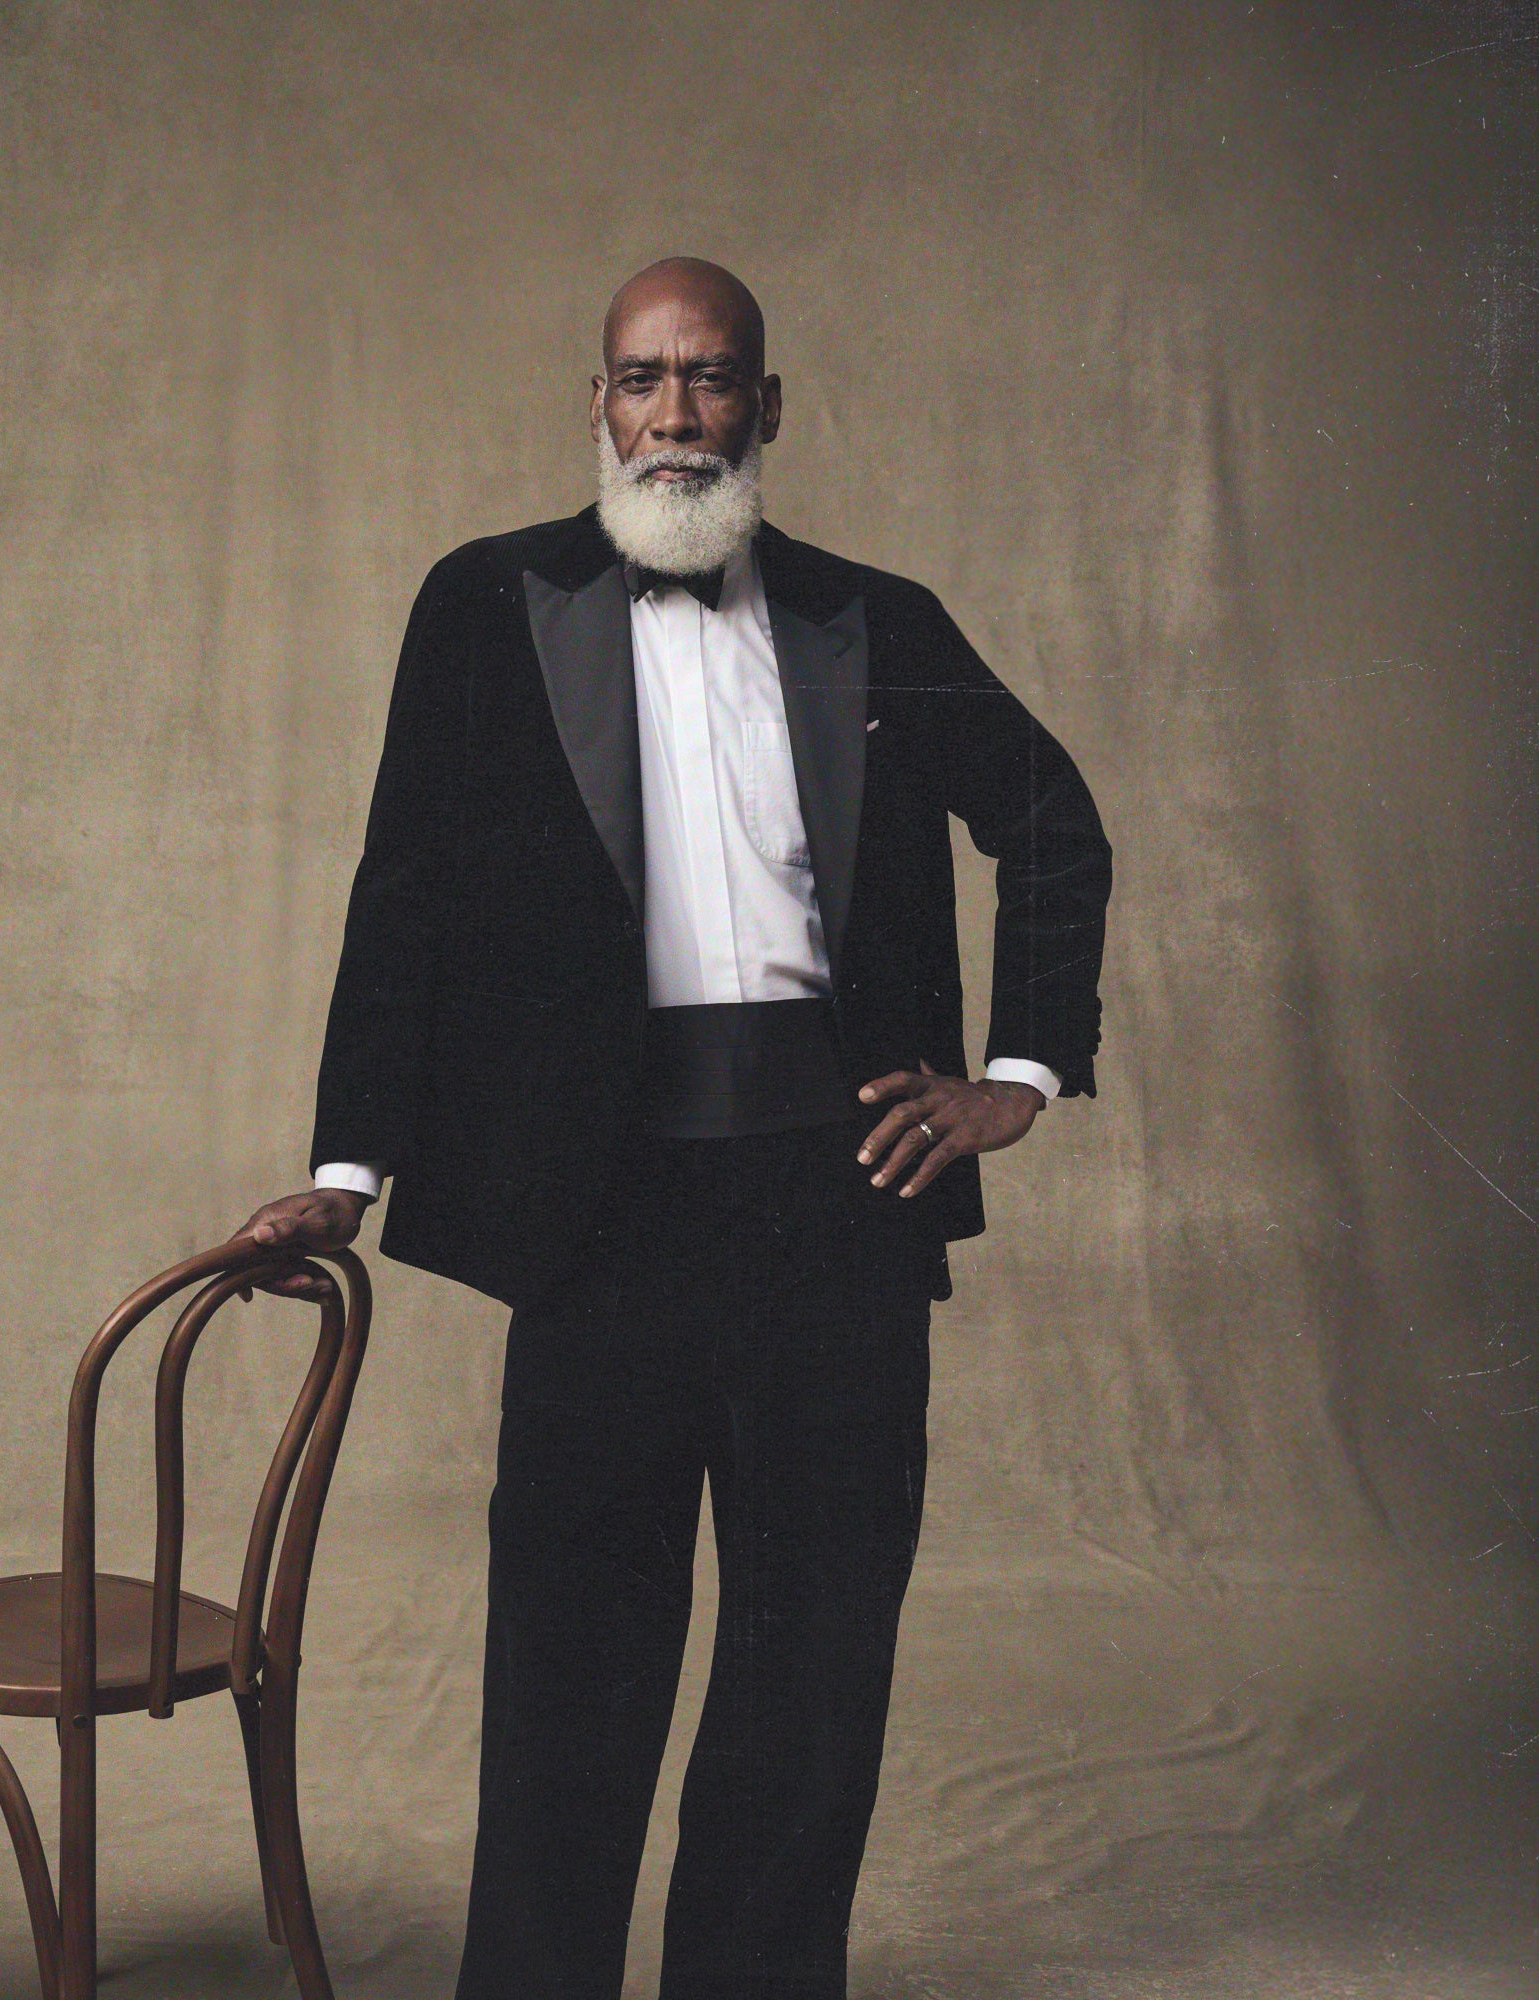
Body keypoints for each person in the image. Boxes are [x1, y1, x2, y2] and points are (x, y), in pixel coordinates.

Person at [238, 256, 1112, 2000]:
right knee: (570, 1657)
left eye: (710, 380)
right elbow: (402, 892)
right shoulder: (482, 603)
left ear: (764, 406)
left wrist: (1015, 1075)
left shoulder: (876, 615)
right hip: (599, 1206)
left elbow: (1050, 820)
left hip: (837, 1193)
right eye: (643, 380)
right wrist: (347, 1167)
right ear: (598, 405)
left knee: (814, 1661)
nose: (676, 417)